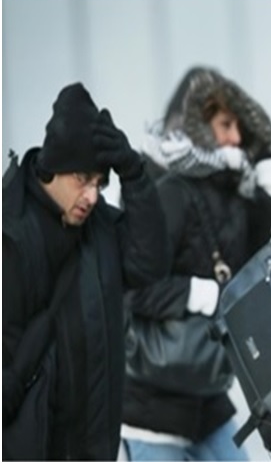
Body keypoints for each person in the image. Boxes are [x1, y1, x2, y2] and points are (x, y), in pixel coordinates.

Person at [120, 66, 271, 461]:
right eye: (225, 125)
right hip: (152, 407)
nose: (236, 137)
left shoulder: (230, 195)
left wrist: (269, 180)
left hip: (206, 400)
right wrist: (203, 294)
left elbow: (257, 266)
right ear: (195, 126)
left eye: (239, 128)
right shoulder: (170, 194)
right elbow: (134, 289)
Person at [3, 82, 171, 460]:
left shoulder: (101, 228)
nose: (92, 196)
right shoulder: (11, 239)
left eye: (99, 183)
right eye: (82, 180)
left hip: (96, 448)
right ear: (52, 171)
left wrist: (134, 173)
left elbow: (150, 264)